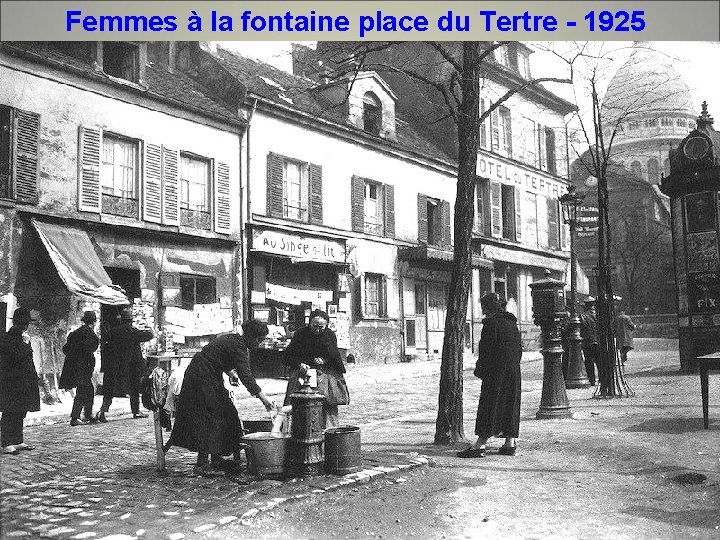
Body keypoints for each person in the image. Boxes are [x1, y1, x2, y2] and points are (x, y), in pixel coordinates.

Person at [164, 319, 275, 477]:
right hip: (201, 378)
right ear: (251, 336)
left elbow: (216, 356)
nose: (259, 343)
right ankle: (201, 465)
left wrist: (230, 373)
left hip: (207, 374)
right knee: (210, 417)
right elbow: (247, 376)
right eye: (259, 339)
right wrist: (264, 399)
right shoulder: (239, 347)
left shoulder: (233, 339)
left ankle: (217, 458)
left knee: (228, 413)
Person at [458, 293, 522, 458]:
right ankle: (510, 443)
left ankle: (480, 445)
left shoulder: (490, 325)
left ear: (488, 308)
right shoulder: (512, 324)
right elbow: (519, 350)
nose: (483, 311)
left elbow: (485, 353)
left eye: (484, 307)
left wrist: (481, 371)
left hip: (495, 372)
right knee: (510, 404)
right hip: (513, 372)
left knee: (489, 405)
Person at [283, 309, 347, 430]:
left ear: (326, 325)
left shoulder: (329, 335)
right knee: (298, 406)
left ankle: (328, 433)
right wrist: (299, 364)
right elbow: (288, 356)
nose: (317, 330)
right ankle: (298, 433)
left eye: (321, 327)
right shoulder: (301, 334)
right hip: (302, 375)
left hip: (324, 376)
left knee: (326, 408)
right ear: (309, 323)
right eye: (314, 326)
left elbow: (334, 357)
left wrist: (324, 360)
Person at [96, 307, 153, 422]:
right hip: (132, 365)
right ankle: (136, 411)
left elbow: (106, 347)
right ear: (130, 321)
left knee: (109, 390)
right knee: (134, 388)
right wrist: (149, 327)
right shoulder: (133, 331)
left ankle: (102, 411)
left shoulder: (113, 332)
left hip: (115, 365)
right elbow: (149, 335)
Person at [0, 308, 40, 455]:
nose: (26, 326)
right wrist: (24, 344)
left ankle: (17, 440)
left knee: (21, 410)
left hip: (25, 381)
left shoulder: (23, 338)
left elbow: (29, 361)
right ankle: (6, 443)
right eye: (24, 324)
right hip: (11, 381)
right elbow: (15, 357)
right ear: (19, 324)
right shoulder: (6, 338)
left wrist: (35, 378)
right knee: (10, 411)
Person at [59, 310, 100, 426]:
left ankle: (87, 415)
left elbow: (65, 349)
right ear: (94, 322)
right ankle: (75, 417)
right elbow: (90, 349)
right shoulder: (89, 333)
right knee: (83, 391)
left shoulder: (75, 333)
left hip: (76, 367)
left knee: (88, 390)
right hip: (83, 367)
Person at [580, 297, 599, 386]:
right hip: (598, 341)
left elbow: (581, 328)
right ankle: (602, 378)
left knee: (589, 361)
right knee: (599, 360)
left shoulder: (583, 316)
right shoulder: (599, 315)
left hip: (587, 342)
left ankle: (592, 380)